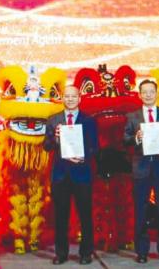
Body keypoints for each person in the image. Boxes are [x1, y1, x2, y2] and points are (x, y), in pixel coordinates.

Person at [123, 80, 159, 263]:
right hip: (141, 168)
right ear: (139, 94)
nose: (148, 95)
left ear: (156, 93)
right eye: (144, 92)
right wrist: (136, 138)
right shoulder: (133, 116)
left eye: (151, 92)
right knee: (141, 210)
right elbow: (125, 139)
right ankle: (142, 251)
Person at [44, 85, 99, 264]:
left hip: (82, 174)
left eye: (73, 96)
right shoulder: (53, 120)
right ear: (62, 98)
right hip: (60, 175)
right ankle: (61, 254)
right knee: (61, 216)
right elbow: (46, 146)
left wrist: (83, 157)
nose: (70, 99)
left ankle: (86, 253)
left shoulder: (88, 120)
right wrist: (56, 138)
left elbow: (95, 147)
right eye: (66, 96)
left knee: (85, 215)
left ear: (79, 98)